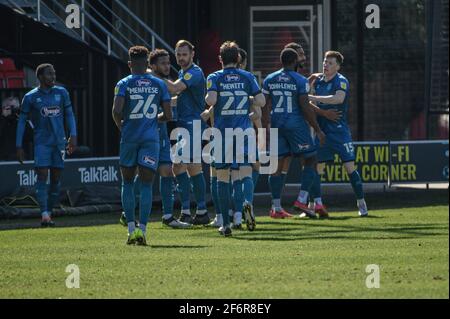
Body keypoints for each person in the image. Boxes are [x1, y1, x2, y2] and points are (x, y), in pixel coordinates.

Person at [202, 41, 265, 236]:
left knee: (222, 176)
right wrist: (247, 97)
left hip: (222, 133)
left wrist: (215, 96)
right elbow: (261, 102)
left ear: (220, 59)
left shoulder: (214, 77)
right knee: (245, 172)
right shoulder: (247, 76)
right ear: (238, 59)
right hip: (244, 131)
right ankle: (246, 204)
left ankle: (225, 224)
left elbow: (210, 101)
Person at [112, 46, 172, 245]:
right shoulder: (159, 84)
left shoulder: (123, 83)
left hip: (129, 137)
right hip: (150, 139)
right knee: (146, 184)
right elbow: (169, 115)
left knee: (127, 183)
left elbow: (116, 110)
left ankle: (130, 230)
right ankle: (143, 231)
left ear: (129, 64)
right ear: (147, 64)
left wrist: (122, 126)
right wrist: (154, 120)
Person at [262, 48, 326, 219]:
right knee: (311, 159)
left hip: (277, 124)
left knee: (276, 167)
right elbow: (305, 106)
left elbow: (264, 106)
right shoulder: (300, 80)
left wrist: (263, 130)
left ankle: (276, 208)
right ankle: (302, 199)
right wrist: (318, 129)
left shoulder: (270, 79)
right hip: (295, 125)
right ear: (295, 61)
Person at [307, 51, 368, 217]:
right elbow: (308, 103)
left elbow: (338, 99)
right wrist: (311, 97)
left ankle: (361, 203)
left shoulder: (341, 80)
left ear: (338, 67)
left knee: (350, 168)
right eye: (325, 62)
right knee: (315, 168)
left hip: (339, 133)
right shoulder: (317, 81)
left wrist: (312, 97)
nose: (326, 65)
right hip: (322, 133)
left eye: (330, 63)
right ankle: (313, 205)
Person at [16, 63, 77, 227]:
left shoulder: (61, 93)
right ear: (40, 77)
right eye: (49, 74)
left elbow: (69, 115)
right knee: (42, 175)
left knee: (56, 178)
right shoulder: (30, 97)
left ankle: (49, 212)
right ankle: (44, 215)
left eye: (54, 73)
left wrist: (73, 135)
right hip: (42, 143)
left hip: (59, 142)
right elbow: (22, 122)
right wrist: (18, 145)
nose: (53, 77)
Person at [163, 40, 210, 225]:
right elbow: (178, 97)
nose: (181, 58)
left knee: (183, 167)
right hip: (186, 125)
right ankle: (197, 211)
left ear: (192, 54)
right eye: (178, 54)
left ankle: (193, 211)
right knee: (189, 167)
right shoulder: (183, 73)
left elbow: (175, 88)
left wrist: (151, 75)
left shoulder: (194, 73)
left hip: (192, 125)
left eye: (184, 54)